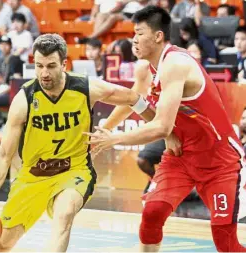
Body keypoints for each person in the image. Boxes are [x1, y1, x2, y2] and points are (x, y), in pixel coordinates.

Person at [0, 33, 154, 252]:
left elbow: (131, 98)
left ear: (63, 64)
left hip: (74, 171)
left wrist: (157, 126)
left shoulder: (85, 88)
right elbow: (3, 155)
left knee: (64, 214)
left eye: (51, 66)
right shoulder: (24, 100)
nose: (44, 73)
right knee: (0, 246)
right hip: (32, 177)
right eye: (39, 65)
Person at [87, 6, 246, 252]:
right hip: (181, 155)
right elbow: (133, 100)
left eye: (139, 33)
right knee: (152, 212)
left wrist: (115, 138)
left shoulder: (175, 64)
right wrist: (103, 130)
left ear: (158, 36)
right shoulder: (144, 68)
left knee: (224, 241)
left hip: (219, 159)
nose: (134, 39)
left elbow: (161, 125)